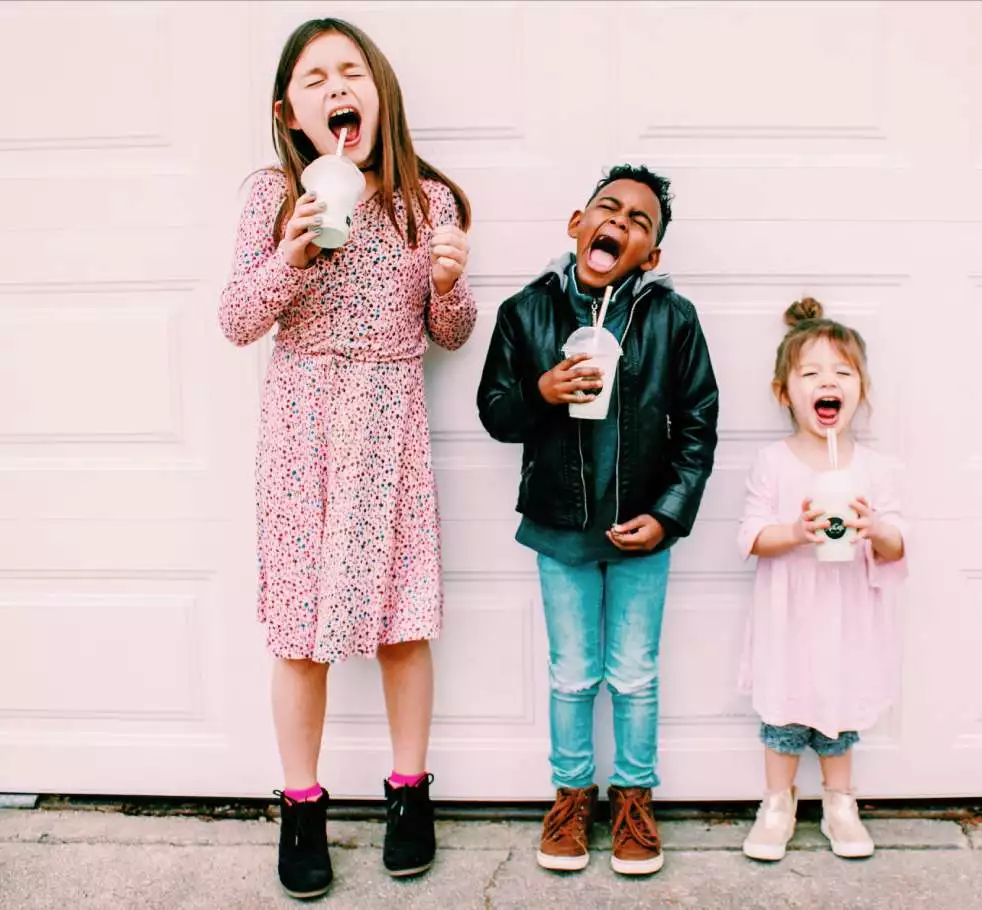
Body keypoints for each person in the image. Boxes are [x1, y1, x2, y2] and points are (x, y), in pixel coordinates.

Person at [218, 17, 475, 898]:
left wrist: (447, 284)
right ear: (289, 110)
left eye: (351, 72)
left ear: (378, 92)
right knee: (300, 627)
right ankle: (301, 806)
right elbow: (237, 319)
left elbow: (447, 332)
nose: (337, 89)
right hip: (302, 427)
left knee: (404, 622)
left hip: (390, 426)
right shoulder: (271, 193)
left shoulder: (421, 201)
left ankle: (409, 793)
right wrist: (289, 257)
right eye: (316, 78)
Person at [476, 165, 719, 876]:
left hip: (644, 529)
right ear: (577, 224)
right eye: (609, 210)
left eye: (641, 221)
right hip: (560, 525)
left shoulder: (673, 318)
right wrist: (542, 390)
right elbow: (495, 411)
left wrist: (670, 517)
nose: (621, 222)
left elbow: (699, 424)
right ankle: (572, 796)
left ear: (654, 254)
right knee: (574, 674)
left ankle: (635, 799)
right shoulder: (526, 311)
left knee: (636, 674)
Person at [737, 298, 908, 863]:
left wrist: (873, 527)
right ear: (785, 393)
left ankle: (840, 802)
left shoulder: (875, 468)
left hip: (846, 615)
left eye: (842, 372)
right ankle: (777, 803)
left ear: (861, 390)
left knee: (839, 711)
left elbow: (899, 543)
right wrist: (795, 531)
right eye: (810, 373)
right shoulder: (773, 461)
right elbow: (752, 536)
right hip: (788, 614)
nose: (827, 382)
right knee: (783, 714)